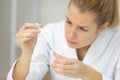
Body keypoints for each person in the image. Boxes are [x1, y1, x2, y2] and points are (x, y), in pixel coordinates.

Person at [7, 0, 120, 80]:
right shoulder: (51, 33)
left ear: (102, 27)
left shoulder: (116, 43)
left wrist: (86, 73)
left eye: (82, 29)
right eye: (68, 22)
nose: (70, 34)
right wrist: (27, 54)